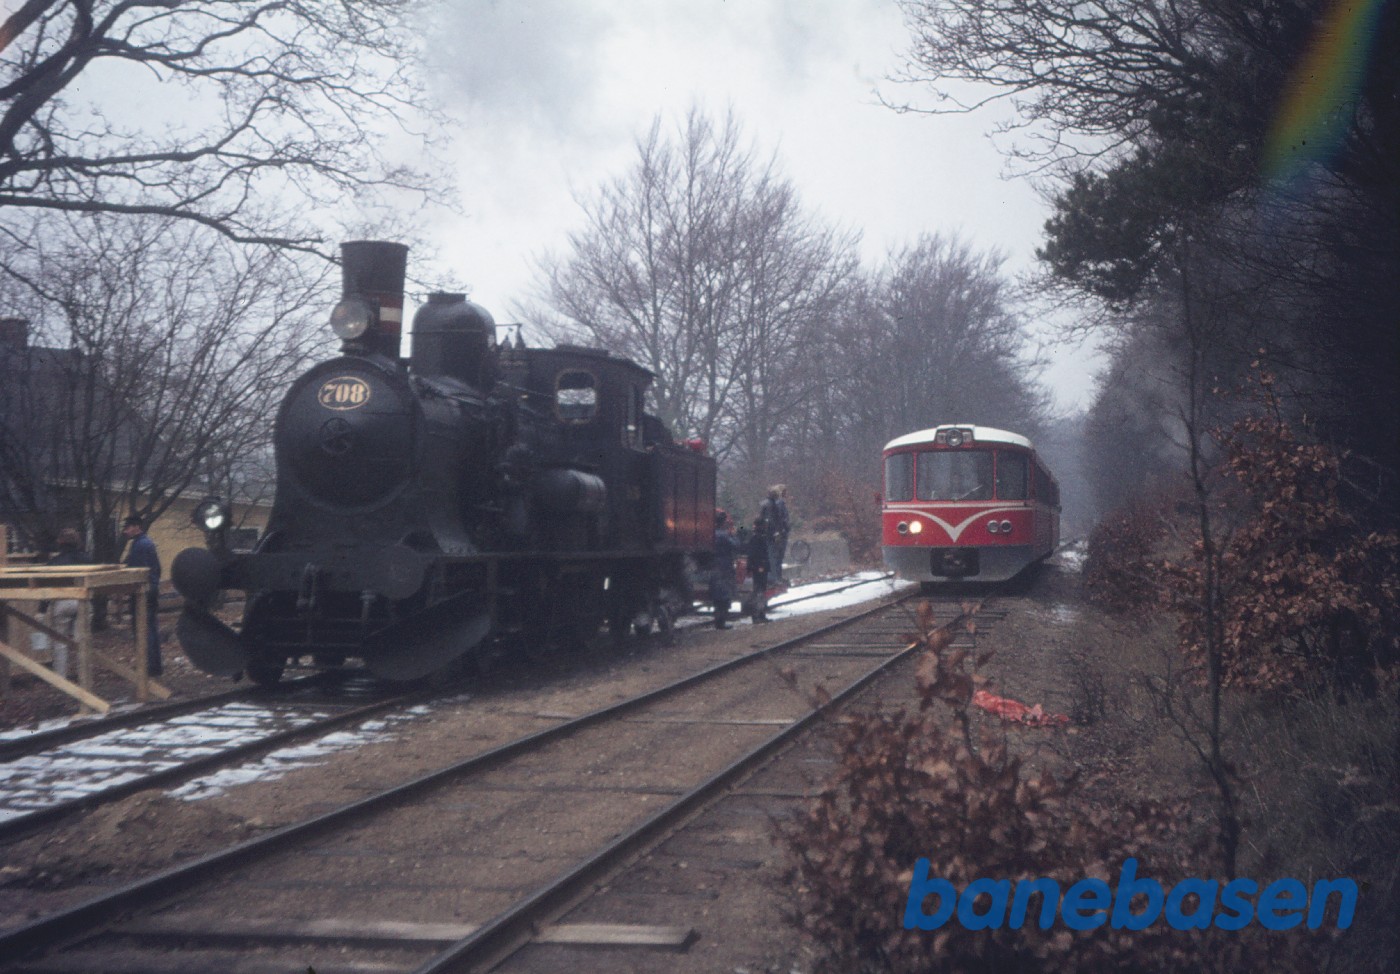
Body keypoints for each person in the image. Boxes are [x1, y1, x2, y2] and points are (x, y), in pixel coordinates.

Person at [38, 528, 89, 678]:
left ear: (60, 542)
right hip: (83, 601)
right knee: (83, 641)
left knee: (59, 642)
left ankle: (60, 678)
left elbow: (46, 587)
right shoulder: (87, 559)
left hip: (63, 601)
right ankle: (84, 676)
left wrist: (41, 610)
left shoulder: (55, 562)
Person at [122, 515, 163, 676]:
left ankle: (148, 666)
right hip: (151, 589)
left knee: (143, 629)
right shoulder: (146, 543)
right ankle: (154, 665)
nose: (126, 531)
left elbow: (137, 570)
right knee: (150, 627)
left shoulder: (140, 545)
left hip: (143, 591)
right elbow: (157, 569)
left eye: (128, 527)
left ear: (136, 527)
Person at [710, 509, 739, 630]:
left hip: (713, 565)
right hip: (725, 566)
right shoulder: (724, 535)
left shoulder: (710, 534)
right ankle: (721, 621)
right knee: (724, 594)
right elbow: (736, 545)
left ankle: (718, 619)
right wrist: (734, 535)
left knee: (716, 594)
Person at [760, 485, 791, 584]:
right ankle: (775, 578)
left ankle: (777, 577)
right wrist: (779, 531)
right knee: (775, 557)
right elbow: (775, 520)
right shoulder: (776, 504)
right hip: (775, 534)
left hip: (772, 533)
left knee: (775, 556)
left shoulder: (768, 503)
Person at [746, 516, 771, 623]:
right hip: (759, 568)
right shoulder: (756, 538)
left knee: (760, 591)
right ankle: (757, 614)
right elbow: (754, 555)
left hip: (760, 567)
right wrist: (759, 566)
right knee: (759, 591)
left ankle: (760, 613)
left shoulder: (758, 537)